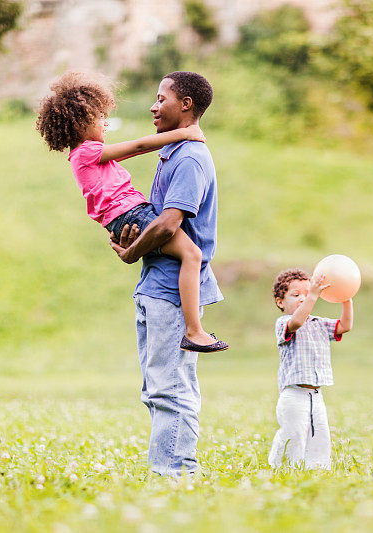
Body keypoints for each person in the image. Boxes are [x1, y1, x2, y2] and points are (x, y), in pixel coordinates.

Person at [35, 72, 228, 354]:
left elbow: (135, 152)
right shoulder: (86, 152)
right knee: (192, 254)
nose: (105, 123)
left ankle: (193, 329)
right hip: (130, 214)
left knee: (186, 251)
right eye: (100, 118)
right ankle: (194, 330)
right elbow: (139, 146)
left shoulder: (89, 154)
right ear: (81, 123)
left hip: (127, 215)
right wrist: (186, 133)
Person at [108, 71, 225, 476]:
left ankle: (175, 474)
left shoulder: (191, 157)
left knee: (169, 388)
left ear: (186, 104)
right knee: (160, 387)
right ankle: (173, 471)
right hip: (156, 285)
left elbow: (168, 224)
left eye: (162, 98)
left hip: (171, 292)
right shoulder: (175, 151)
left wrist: (130, 252)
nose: (154, 107)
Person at [267, 268, 353, 469]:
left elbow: (345, 326)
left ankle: (318, 467)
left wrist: (346, 297)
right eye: (296, 295)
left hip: (315, 393)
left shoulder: (319, 323)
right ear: (280, 302)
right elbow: (297, 322)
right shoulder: (284, 323)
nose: (302, 299)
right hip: (293, 393)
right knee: (294, 432)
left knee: (319, 432)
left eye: (306, 294)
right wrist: (313, 295)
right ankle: (283, 466)